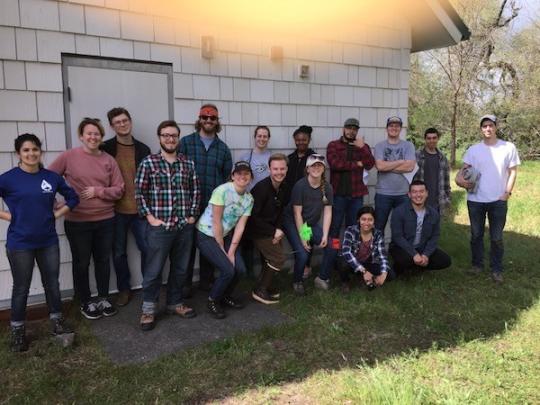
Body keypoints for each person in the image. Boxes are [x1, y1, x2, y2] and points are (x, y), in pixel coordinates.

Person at [0, 134, 79, 352]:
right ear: (18, 154)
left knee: (52, 283)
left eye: (35, 149)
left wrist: (57, 214)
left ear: (40, 152)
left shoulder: (51, 177)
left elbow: (73, 198)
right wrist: (10, 217)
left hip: (47, 240)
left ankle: (57, 321)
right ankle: (17, 330)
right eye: (26, 150)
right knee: (21, 287)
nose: (31, 154)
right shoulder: (8, 179)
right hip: (20, 243)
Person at [49, 118, 124, 320]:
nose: (93, 137)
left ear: (101, 136)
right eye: (89, 133)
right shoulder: (69, 157)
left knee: (102, 261)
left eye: (97, 133)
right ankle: (85, 301)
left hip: (106, 220)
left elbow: (119, 189)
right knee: (81, 263)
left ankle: (103, 298)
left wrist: (98, 191)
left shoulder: (109, 160)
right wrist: (56, 204)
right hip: (78, 221)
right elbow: (46, 180)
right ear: (81, 136)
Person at [135, 120, 200, 331]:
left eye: (173, 135)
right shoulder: (149, 163)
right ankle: (148, 310)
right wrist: (150, 218)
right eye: (166, 135)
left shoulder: (188, 163)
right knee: (153, 270)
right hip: (159, 228)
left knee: (180, 268)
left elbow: (196, 192)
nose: (170, 139)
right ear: (159, 137)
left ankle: (174, 303)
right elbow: (139, 193)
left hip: (184, 226)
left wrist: (192, 216)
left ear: (178, 138)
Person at [455, 114, 520, 283]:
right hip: (475, 200)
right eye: (484, 126)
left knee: (496, 237)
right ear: (481, 129)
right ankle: (477, 265)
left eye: (491, 125)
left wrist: (506, 194)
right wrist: (460, 180)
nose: (488, 129)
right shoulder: (473, 149)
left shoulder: (508, 147)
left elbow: (513, 172)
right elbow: (463, 171)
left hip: (498, 201)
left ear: (496, 127)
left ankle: (496, 269)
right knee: (476, 235)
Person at [179, 104, 233, 294]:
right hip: (188, 204)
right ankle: (184, 284)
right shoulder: (185, 143)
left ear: (217, 121)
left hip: (212, 206)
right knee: (186, 246)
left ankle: (206, 281)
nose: (208, 121)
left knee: (208, 244)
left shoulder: (223, 149)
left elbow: (227, 178)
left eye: (212, 118)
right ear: (199, 119)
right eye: (205, 117)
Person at [316, 118, 375, 290]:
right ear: (343, 129)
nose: (351, 131)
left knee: (353, 232)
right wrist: (357, 163)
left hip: (356, 196)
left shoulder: (362, 146)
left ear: (357, 130)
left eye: (354, 129)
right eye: (348, 128)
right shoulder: (334, 145)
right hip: (338, 197)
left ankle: (348, 272)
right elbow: (335, 164)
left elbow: (370, 164)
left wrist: (362, 149)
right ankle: (330, 266)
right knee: (334, 233)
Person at [101, 107, 151, 306]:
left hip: (140, 209)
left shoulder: (143, 149)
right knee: (119, 252)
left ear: (130, 121)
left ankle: (149, 286)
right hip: (116, 210)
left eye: (125, 120)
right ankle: (124, 289)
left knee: (147, 249)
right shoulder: (106, 148)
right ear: (112, 126)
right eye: (117, 122)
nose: (122, 124)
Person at [196, 161, 254, 319]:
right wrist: (223, 251)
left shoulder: (249, 199)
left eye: (246, 174)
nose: (242, 176)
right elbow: (216, 222)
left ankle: (224, 296)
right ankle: (212, 300)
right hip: (206, 234)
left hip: (226, 234)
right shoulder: (222, 191)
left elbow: (240, 227)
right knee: (228, 269)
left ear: (250, 177)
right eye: (239, 173)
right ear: (233, 176)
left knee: (240, 268)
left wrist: (232, 251)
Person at [282, 154, 333, 295]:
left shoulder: (327, 187)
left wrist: (325, 235)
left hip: (310, 224)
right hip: (294, 222)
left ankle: (322, 278)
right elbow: (297, 214)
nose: (316, 168)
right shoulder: (300, 186)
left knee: (332, 245)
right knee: (304, 253)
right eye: (313, 166)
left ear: (323, 169)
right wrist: (303, 237)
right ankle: (297, 281)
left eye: (319, 165)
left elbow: (328, 212)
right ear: (308, 169)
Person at [244, 153, 289, 304]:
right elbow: (252, 217)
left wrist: (278, 229)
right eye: (275, 169)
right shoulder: (261, 188)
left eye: (282, 169)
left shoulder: (283, 187)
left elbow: (280, 211)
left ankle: (265, 285)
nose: (279, 172)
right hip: (256, 230)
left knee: (273, 257)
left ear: (286, 169)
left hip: (271, 229)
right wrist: (273, 231)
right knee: (278, 258)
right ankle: (260, 290)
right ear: (269, 169)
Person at [389, 180, 451, 275]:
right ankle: (401, 268)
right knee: (405, 260)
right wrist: (414, 254)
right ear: (409, 194)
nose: (418, 195)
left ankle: (419, 265)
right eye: (414, 192)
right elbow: (397, 237)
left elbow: (434, 237)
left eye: (421, 191)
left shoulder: (433, 214)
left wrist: (426, 255)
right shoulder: (399, 211)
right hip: (402, 247)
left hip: (422, 247)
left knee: (445, 260)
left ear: (426, 193)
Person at [374, 116, 416, 233]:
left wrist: (386, 166)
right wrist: (400, 162)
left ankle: (397, 251)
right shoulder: (380, 146)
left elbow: (410, 167)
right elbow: (380, 166)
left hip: (403, 194)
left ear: (401, 128)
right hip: (383, 194)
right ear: (386, 128)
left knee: (401, 228)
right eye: (391, 125)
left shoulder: (408, 146)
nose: (394, 128)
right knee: (378, 227)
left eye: (397, 126)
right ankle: (378, 251)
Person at [284, 125, 316, 278]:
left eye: (304, 139)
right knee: (297, 238)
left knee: (306, 235)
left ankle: (307, 266)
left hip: (308, 206)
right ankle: (299, 263)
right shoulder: (290, 159)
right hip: (292, 204)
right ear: (294, 141)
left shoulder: (314, 158)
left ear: (309, 140)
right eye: (298, 140)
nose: (301, 142)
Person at [339, 206, 391, 292]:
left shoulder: (378, 234)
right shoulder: (350, 230)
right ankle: (345, 282)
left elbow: (383, 256)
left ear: (374, 221)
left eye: (370, 219)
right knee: (343, 263)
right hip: (352, 262)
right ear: (358, 220)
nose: (366, 222)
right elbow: (346, 252)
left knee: (390, 275)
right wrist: (364, 271)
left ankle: (367, 279)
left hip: (368, 262)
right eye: (363, 219)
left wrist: (384, 273)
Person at [414, 128, 451, 214]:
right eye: (429, 138)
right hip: (419, 199)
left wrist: (448, 197)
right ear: (425, 139)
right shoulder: (416, 155)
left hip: (437, 201)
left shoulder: (442, 157)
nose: (432, 140)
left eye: (434, 138)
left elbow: (446, 180)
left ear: (438, 139)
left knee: (435, 226)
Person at [238, 125, 272, 190]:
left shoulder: (272, 158)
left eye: (265, 136)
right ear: (255, 137)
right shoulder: (245, 157)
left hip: (267, 195)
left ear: (268, 138)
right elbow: (237, 177)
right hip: (249, 195)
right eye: (259, 136)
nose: (262, 139)